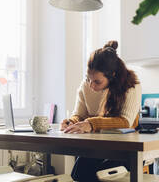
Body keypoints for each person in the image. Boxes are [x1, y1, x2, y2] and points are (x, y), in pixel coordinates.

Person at [60, 40, 141, 182]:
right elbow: (79, 114)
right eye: (88, 79)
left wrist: (91, 123)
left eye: (97, 82)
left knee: (98, 174)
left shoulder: (131, 86)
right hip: (97, 145)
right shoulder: (86, 85)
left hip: (126, 148)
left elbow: (125, 121)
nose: (91, 85)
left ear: (113, 76)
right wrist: (71, 122)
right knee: (79, 174)